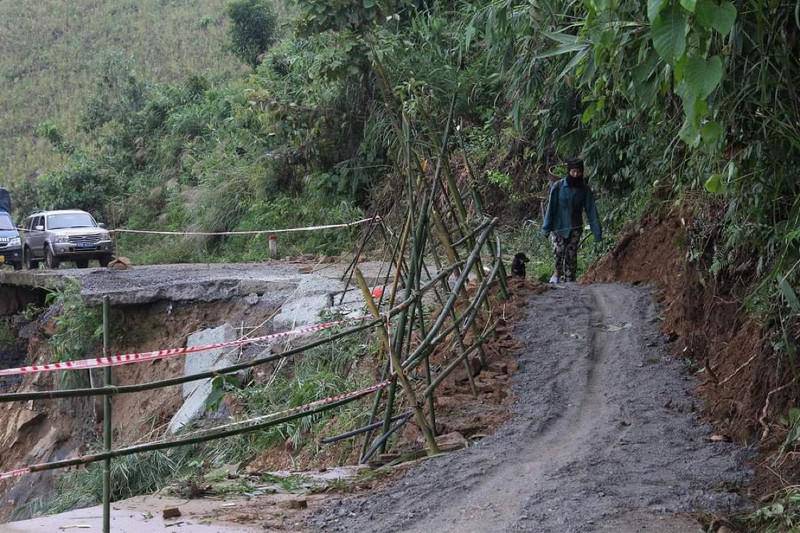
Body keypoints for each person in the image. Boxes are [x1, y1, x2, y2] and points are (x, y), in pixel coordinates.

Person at [541, 158, 602, 282]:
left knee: (571, 255)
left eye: (578, 172)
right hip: (559, 227)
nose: (575, 174)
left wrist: (597, 232)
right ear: (568, 171)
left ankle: (570, 282)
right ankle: (556, 275)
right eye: (573, 171)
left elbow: (591, 211)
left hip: (575, 228)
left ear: (582, 172)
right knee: (559, 252)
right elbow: (551, 208)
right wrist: (546, 228)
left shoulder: (584, 190)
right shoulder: (558, 187)